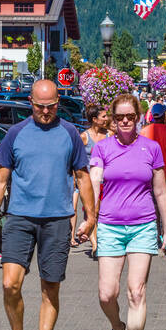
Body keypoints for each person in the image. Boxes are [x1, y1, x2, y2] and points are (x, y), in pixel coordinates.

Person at [0, 80, 94, 330]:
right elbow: (0, 178)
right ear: (30, 102)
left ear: (58, 103)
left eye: (51, 106)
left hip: (57, 219)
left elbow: (82, 176)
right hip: (19, 217)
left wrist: (90, 215)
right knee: (10, 284)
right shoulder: (16, 134)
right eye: (40, 106)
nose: (45, 112)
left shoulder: (70, 133)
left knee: (50, 287)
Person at [89, 93, 166, 330]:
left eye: (130, 116)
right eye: (119, 117)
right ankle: (117, 326)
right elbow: (95, 181)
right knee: (106, 294)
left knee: (136, 292)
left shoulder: (151, 148)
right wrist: (90, 220)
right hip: (110, 227)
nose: (125, 121)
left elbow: (161, 191)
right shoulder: (102, 149)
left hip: (143, 226)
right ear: (112, 120)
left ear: (138, 118)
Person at [73, 104, 111, 250]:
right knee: (92, 210)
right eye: (103, 117)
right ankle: (95, 243)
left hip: (107, 180)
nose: (106, 119)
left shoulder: (109, 135)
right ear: (94, 119)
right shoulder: (84, 137)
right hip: (90, 181)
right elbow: (77, 161)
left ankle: (101, 237)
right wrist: (76, 179)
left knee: (103, 211)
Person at [140, 103, 166, 194]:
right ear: (164, 115)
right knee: (164, 204)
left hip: (148, 174)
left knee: (151, 205)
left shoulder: (144, 132)